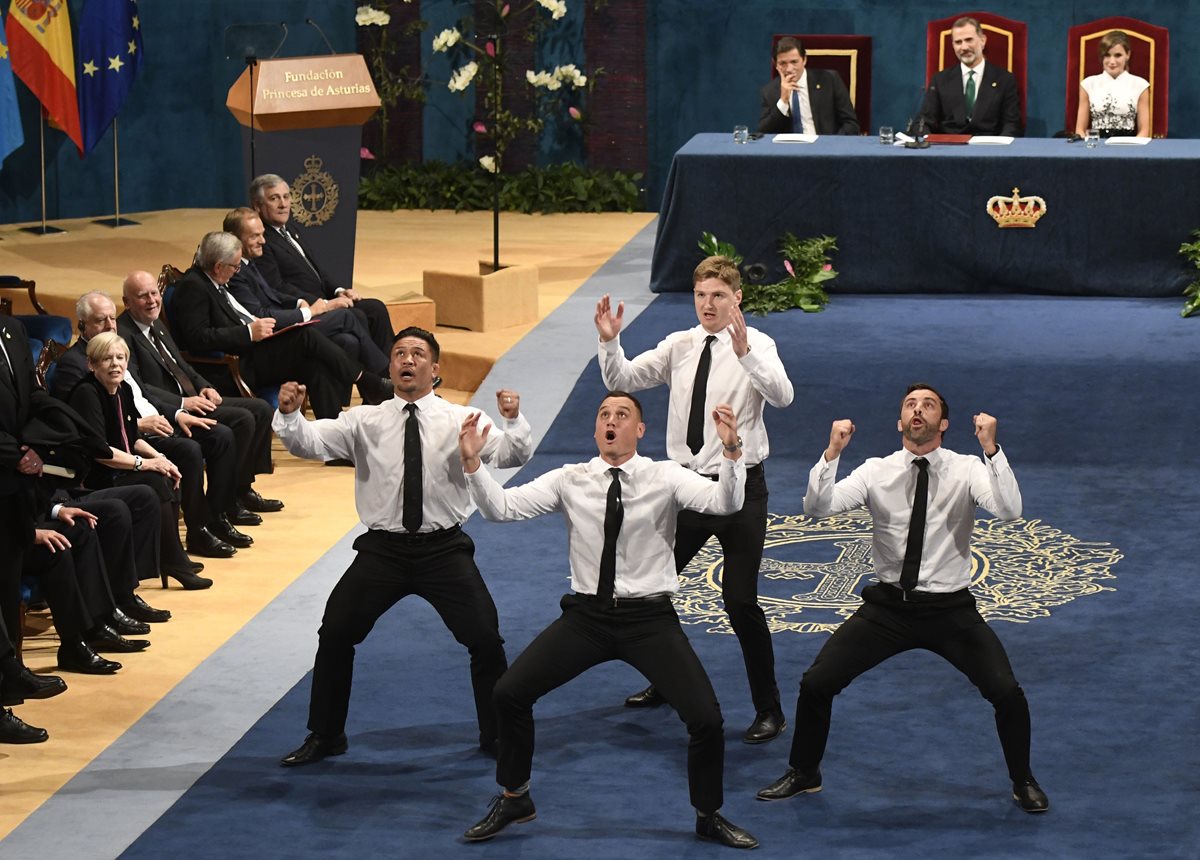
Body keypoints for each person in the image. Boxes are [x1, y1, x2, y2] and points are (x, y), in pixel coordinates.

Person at [460, 391, 759, 849]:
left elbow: (725, 503)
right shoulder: (570, 478)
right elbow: (501, 509)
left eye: (623, 415)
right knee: (509, 693)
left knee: (706, 719)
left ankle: (708, 813)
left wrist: (732, 451)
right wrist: (474, 466)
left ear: (639, 430)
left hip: (649, 621)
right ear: (596, 430)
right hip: (586, 618)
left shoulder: (666, 476)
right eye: (604, 415)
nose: (611, 422)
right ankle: (515, 795)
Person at [756, 384, 1049, 814]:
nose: (918, 410)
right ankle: (804, 772)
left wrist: (991, 450)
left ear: (943, 424)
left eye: (928, 405)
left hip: (950, 609)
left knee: (1006, 692)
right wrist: (832, 454)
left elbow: (1008, 511)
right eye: (911, 405)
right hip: (888, 609)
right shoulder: (876, 470)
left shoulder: (968, 468)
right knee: (817, 683)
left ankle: (1022, 780)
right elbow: (819, 510)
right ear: (900, 423)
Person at [272, 327, 532, 767]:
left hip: (443, 550)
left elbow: (511, 455)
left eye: (417, 353)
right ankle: (326, 734)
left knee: (485, 640)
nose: (406, 360)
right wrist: (292, 416)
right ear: (390, 367)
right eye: (398, 354)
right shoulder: (364, 420)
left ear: (435, 369)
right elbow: (311, 443)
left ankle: (495, 734)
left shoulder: (461, 419)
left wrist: (511, 420)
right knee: (335, 633)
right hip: (382, 552)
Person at [595, 255, 794, 744]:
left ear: (737, 298)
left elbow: (784, 396)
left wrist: (747, 353)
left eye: (719, 296)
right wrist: (609, 339)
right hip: (684, 490)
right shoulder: (678, 345)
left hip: (740, 487)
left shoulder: (758, 344)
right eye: (702, 295)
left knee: (740, 601)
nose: (708, 304)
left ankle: (769, 709)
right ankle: (666, 681)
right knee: (652, 589)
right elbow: (621, 378)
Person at [55, 293, 247, 561]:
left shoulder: (116, 349)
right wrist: (142, 434)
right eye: (100, 321)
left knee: (221, 434)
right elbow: (84, 427)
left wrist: (177, 413)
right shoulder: (75, 366)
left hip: (149, 428)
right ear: (82, 326)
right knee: (188, 452)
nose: (110, 325)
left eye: (113, 317)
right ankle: (190, 537)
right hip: (120, 447)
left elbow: (143, 394)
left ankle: (215, 518)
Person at [170, 232, 393, 419]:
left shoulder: (214, 280)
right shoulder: (193, 287)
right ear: (219, 266)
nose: (237, 271)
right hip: (236, 365)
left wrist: (255, 329)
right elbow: (198, 338)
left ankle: (332, 441)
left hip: (254, 351)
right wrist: (248, 332)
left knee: (316, 365)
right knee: (306, 337)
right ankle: (369, 382)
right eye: (235, 267)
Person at [118, 270, 284, 520]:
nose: (152, 300)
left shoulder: (155, 322)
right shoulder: (124, 334)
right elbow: (139, 387)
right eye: (143, 296)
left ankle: (242, 487)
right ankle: (225, 503)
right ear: (127, 302)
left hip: (192, 396)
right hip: (169, 407)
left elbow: (182, 365)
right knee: (241, 420)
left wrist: (205, 386)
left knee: (260, 409)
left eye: (154, 293)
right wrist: (183, 403)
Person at [66, 332, 214, 589]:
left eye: (120, 358)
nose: (115, 364)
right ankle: (171, 561)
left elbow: (132, 436)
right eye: (106, 359)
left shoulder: (122, 389)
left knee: (166, 473)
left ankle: (172, 556)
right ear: (92, 364)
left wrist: (160, 458)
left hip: (120, 467)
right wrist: (144, 464)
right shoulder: (86, 394)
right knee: (153, 480)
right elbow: (102, 452)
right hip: (95, 477)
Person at [222, 207, 390, 377]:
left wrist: (298, 302)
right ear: (233, 239)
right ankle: (383, 376)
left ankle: (363, 393)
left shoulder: (249, 263)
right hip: (274, 337)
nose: (263, 241)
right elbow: (260, 314)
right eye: (254, 236)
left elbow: (271, 293)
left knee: (348, 341)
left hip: (287, 322)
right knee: (347, 316)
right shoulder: (234, 272)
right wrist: (310, 311)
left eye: (262, 234)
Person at [250, 174, 395, 356]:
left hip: (325, 299)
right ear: (257, 206)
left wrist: (339, 291)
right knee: (355, 317)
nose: (283, 204)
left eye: (286, 197)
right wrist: (325, 304)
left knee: (376, 308)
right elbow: (277, 287)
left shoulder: (291, 230)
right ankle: (379, 379)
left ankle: (392, 371)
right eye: (274, 198)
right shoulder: (262, 241)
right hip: (308, 309)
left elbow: (318, 273)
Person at [920, 17, 1022, 137]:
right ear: (953, 45)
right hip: (948, 149)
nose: (964, 47)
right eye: (958, 42)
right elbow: (924, 122)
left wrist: (1000, 151)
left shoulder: (1005, 79)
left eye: (969, 40)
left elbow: (1012, 124)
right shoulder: (939, 80)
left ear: (982, 40)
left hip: (990, 149)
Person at [757, 36, 859, 136]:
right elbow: (763, 133)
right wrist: (783, 101)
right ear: (775, 64)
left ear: (804, 60)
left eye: (794, 62)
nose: (789, 69)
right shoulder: (769, 91)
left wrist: (831, 145)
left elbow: (851, 124)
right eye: (783, 63)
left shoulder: (829, 80)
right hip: (789, 150)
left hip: (825, 147)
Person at [1075, 30, 1150, 138]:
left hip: (1128, 148)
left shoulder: (1140, 85)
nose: (1112, 61)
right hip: (1096, 147)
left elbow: (1144, 132)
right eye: (1107, 55)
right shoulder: (1088, 84)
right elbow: (1080, 130)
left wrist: (1133, 152)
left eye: (1118, 55)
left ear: (1128, 55)